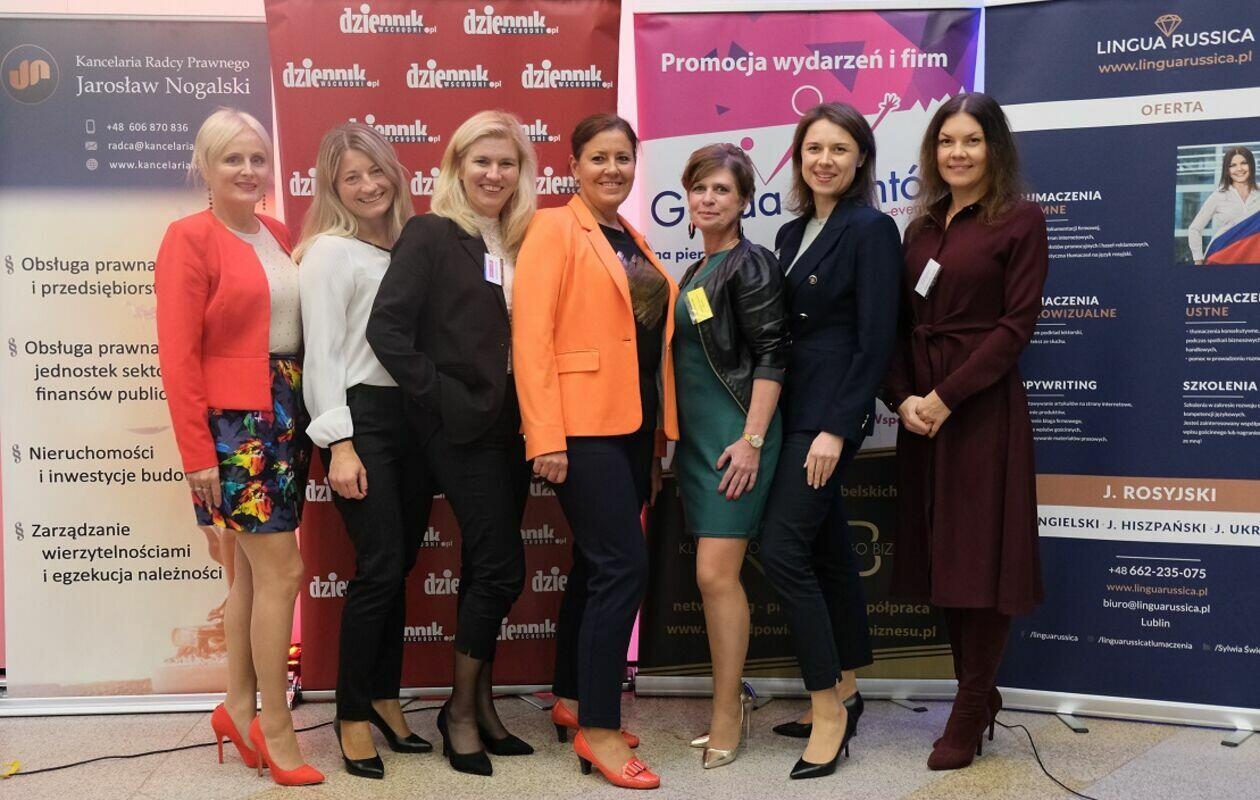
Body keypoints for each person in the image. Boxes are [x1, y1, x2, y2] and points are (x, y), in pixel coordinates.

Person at [366, 109, 538, 777]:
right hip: (459, 427)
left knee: (484, 566)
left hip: (514, 425)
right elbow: (388, 330)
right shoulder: (432, 233)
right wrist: (442, 397)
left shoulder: (521, 239)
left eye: (506, 162)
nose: (494, 173)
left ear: (521, 172)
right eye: (481, 161)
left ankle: (482, 706)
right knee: (501, 568)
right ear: (457, 168)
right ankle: (459, 713)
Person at [156, 107, 321, 786]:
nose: (248, 170)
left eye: (257, 158)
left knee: (253, 574)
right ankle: (273, 725)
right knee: (283, 572)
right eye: (232, 159)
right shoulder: (188, 238)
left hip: (285, 409)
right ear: (204, 166)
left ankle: (236, 705)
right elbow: (177, 356)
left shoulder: (277, 232)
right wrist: (197, 454)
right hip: (234, 428)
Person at [884, 92, 1048, 771]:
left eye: (972, 141)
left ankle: (970, 702)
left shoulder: (1021, 220)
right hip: (922, 415)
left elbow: (1016, 326)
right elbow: (897, 326)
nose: (958, 152)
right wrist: (903, 398)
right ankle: (976, 695)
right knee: (945, 561)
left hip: (981, 412)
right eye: (947, 141)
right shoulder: (920, 227)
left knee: (983, 560)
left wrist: (946, 397)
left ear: (994, 149)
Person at [513, 113, 677, 791]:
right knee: (622, 567)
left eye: (623, 158)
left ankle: (574, 698)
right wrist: (545, 436)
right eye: (600, 158)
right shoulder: (554, 228)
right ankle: (600, 731)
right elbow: (531, 338)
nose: (613, 169)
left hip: (633, 426)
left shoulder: (629, 235)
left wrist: (659, 437)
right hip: (580, 428)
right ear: (574, 165)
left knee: (593, 564)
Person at [757, 102, 902, 780]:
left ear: (861, 159)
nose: (825, 160)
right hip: (788, 412)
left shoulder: (870, 229)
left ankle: (826, 710)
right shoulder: (790, 233)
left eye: (839, 149)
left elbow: (876, 341)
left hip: (827, 420)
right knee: (825, 551)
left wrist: (837, 429)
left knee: (781, 549)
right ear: (798, 157)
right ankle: (845, 686)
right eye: (814, 148)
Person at [296, 122, 432, 780]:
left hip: (414, 419)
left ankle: (384, 696)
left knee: (398, 564)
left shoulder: (410, 246)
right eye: (352, 176)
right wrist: (340, 443)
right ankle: (351, 714)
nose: (369, 185)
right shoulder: (329, 252)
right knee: (379, 566)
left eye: (376, 171)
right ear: (334, 188)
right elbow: (320, 353)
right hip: (360, 419)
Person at [672, 144, 789, 769]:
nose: (708, 199)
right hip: (696, 441)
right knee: (711, 577)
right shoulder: (697, 269)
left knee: (715, 576)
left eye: (721, 189)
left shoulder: (752, 262)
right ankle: (729, 700)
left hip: (735, 436)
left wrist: (752, 440)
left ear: (745, 200)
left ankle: (727, 711)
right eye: (699, 188)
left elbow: (772, 353)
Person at [1188, 145, 1260, 264]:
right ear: (1227, 169)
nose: (1239, 169)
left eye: (1244, 163)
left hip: (1254, 259)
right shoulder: (1219, 196)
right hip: (1222, 256)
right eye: (1233, 165)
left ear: (1251, 165)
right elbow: (1194, 229)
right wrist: (1198, 259)